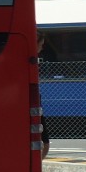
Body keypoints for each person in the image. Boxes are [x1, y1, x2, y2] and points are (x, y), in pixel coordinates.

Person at [35, 30, 51, 158]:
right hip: (34, 103)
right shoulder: (31, 62)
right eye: (41, 44)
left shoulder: (33, 61)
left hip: (35, 103)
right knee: (45, 143)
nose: (42, 47)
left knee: (45, 143)